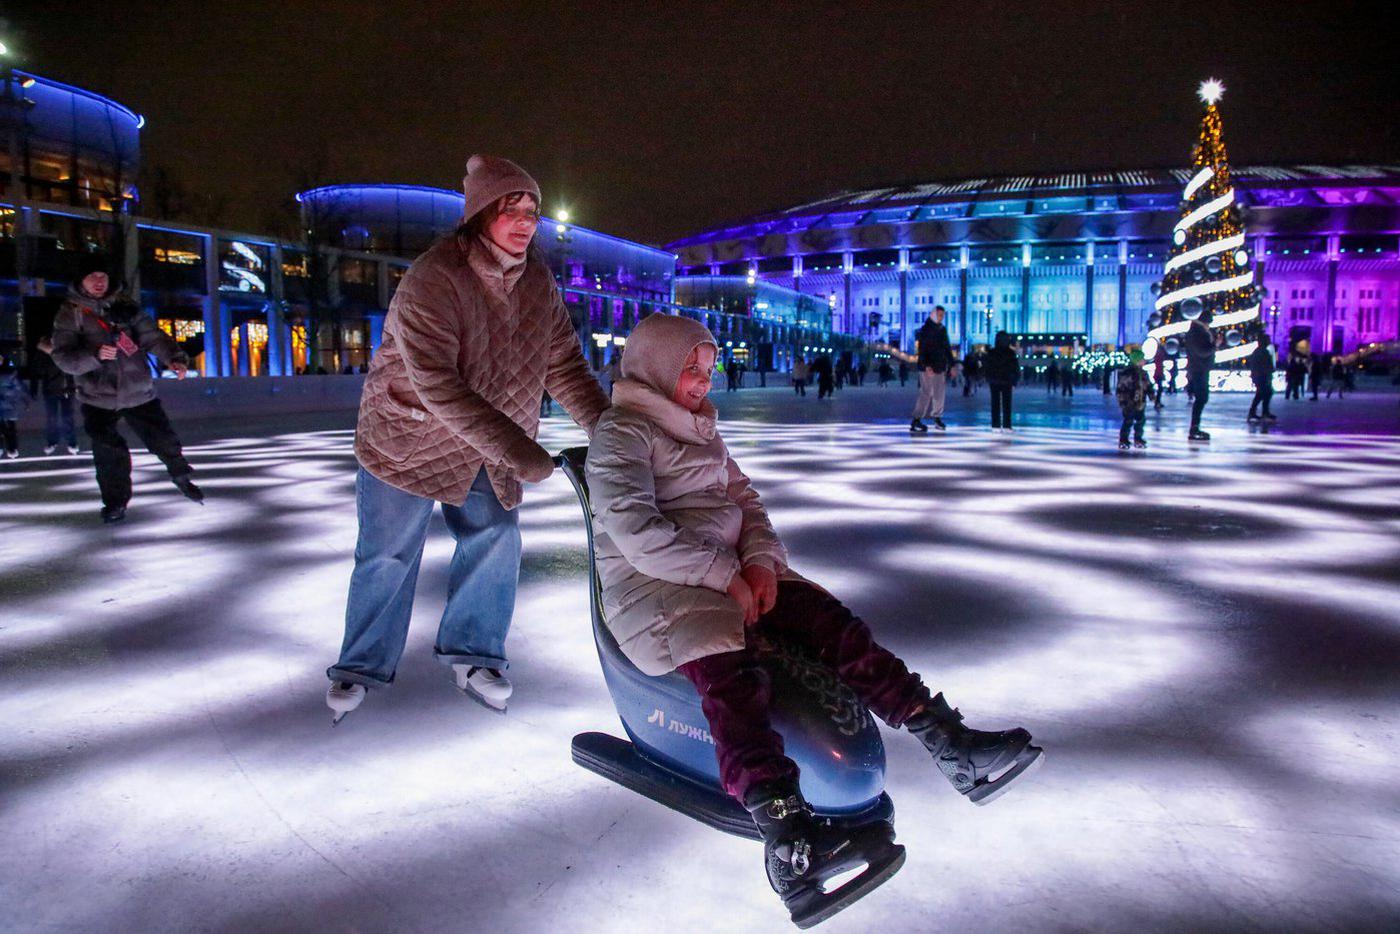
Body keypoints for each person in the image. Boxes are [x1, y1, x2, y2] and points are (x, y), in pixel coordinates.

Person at [585, 313, 1042, 924]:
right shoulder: (622, 432)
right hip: (653, 589)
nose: (703, 380)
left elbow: (745, 502)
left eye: (708, 367)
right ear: (656, 367)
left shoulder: (701, 427)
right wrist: (725, 576)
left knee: (831, 624)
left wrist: (760, 563)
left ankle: (949, 742)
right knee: (732, 677)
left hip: (725, 571)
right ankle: (787, 842)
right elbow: (635, 531)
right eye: (690, 368)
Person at [325, 155, 609, 721]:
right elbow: (436, 384)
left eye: (532, 211)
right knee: (387, 553)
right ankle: (360, 665)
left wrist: (607, 429)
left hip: (483, 440)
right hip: (408, 438)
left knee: (496, 536)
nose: (524, 221)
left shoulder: (537, 282)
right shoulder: (435, 277)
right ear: (480, 214)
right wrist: (518, 448)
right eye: (510, 209)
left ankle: (474, 654)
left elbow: (564, 366)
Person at [49, 255, 201, 523]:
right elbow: (63, 358)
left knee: (162, 438)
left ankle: (180, 473)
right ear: (81, 281)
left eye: (103, 276)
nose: (99, 281)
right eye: (92, 276)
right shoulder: (70, 313)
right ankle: (115, 502)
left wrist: (174, 358)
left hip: (138, 389)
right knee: (108, 451)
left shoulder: (125, 305)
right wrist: (94, 355)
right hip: (97, 395)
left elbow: (152, 336)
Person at [32, 336, 80, 454]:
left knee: (67, 417)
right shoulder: (45, 356)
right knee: (52, 418)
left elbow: (75, 368)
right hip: (51, 390)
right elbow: (37, 370)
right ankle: (53, 442)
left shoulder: (67, 351)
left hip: (66, 390)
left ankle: (71, 442)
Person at [910, 305, 952, 433]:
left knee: (939, 393)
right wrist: (926, 365)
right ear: (934, 314)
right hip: (927, 368)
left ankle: (937, 417)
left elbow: (947, 348)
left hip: (939, 366)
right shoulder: (926, 329)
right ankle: (916, 419)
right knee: (926, 392)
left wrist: (952, 364)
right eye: (939, 315)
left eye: (943, 315)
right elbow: (922, 349)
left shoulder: (942, 329)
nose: (941, 317)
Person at [1183, 310, 1216, 441]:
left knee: (1202, 398)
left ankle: (1195, 427)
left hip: (1199, 368)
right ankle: (1194, 428)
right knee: (1201, 398)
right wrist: (1215, 345)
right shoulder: (1197, 333)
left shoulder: (1196, 331)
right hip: (1199, 369)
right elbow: (1202, 351)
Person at [1115, 349, 1156, 449]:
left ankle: (1138, 438)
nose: (1144, 361)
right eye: (1142, 359)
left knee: (1140, 420)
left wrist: (1152, 396)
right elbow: (1121, 388)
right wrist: (1122, 400)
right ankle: (1123, 439)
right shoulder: (1128, 373)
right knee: (1128, 421)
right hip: (1129, 402)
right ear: (1136, 360)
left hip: (1140, 402)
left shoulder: (1143, 373)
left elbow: (1148, 385)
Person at [984, 331, 1019, 431]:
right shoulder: (1010, 353)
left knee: (995, 403)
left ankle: (995, 425)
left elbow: (987, 367)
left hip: (994, 380)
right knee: (1007, 403)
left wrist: (988, 377)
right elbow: (1015, 367)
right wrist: (1014, 380)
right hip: (1006, 380)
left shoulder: (991, 352)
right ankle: (1007, 425)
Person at [0, 354, 28, 457]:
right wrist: (25, 400)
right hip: (9, 404)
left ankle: (8, 448)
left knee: (8, 428)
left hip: (7, 404)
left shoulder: (11, 373)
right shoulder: (11, 374)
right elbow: (20, 388)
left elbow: (19, 388)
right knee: (10, 428)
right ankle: (11, 449)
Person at [1247, 334, 1278, 422]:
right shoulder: (1263, 352)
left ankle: (1257, 412)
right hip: (1262, 377)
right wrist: (1269, 371)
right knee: (1265, 394)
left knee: (1261, 394)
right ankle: (1263, 412)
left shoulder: (1258, 351)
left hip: (1260, 377)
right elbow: (1266, 365)